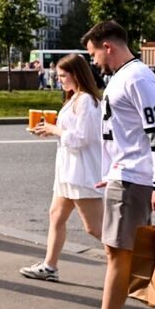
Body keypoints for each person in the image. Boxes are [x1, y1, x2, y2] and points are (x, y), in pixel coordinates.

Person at [58, 20, 155, 309]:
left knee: (118, 255)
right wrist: (110, 171)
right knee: (123, 253)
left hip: (134, 178)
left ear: (108, 46)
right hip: (125, 176)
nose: (92, 60)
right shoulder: (125, 77)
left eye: (93, 53)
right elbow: (126, 134)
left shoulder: (137, 77)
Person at [20, 54, 104, 282]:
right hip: (69, 172)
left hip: (82, 174)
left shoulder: (86, 100)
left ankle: (134, 266)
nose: (59, 80)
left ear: (77, 75)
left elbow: (82, 138)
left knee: (95, 228)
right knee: (56, 215)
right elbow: (72, 135)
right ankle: (50, 266)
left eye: (63, 76)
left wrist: (54, 130)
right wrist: (51, 130)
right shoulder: (75, 98)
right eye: (58, 76)